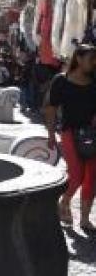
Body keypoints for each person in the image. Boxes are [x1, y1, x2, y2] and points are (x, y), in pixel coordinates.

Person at [46, 44, 96, 230]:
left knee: (91, 177)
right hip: (69, 132)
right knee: (76, 176)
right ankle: (64, 202)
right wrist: (50, 134)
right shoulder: (61, 80)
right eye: (91, 58)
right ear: (79, 59)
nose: (94, 62)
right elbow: (51, 108)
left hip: (93, 134)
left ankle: (84, 219)